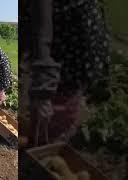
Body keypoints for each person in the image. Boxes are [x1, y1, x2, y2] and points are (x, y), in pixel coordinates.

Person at [24, 0, 110, 146]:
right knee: (50, 121)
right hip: (69, 51)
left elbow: (41, 32)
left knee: (49, 123)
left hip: (67, 58)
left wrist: (44, 90)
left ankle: (43, 153)